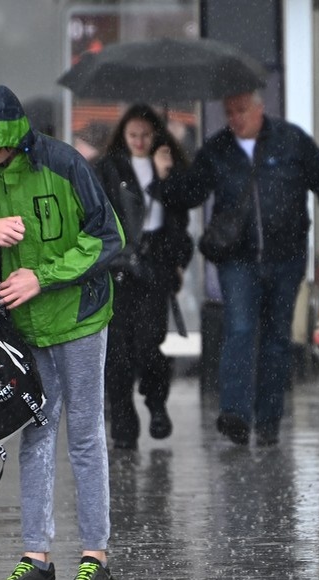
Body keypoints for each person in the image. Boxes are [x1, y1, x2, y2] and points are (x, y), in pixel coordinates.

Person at [0, 85, 124, 580]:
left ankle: (96, 558)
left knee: (85, 436)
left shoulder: (64, 164)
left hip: (79, 317)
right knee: (35, 436)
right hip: (26, 329)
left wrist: (40, 277)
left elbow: (108, 237)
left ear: (12, 135)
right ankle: (37, 560)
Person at [155, 90, 319, 446]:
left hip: (286, 255)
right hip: (237, 257)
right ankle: (236, 413)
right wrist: (166, 177)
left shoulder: (290, 141)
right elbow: (191, 193)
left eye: (242, 110)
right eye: (229, 111)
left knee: (276, 337)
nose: (235, 118)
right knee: (240, 329)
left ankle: (270, 418)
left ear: (260, 108)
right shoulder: (218, 149)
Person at [94, 104, 194, 451]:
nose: (139, 141)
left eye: (145, 135)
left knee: (149, 345)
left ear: (156, 135)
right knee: (117, 351)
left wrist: (165, 179)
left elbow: (180, 219)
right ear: (123, 135)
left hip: (155, 267)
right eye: (133, 135)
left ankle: (155, 401)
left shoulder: (168, 165)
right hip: (118, 268)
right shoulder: (108, 169)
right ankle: (123, 420)